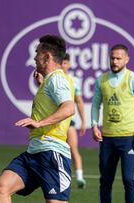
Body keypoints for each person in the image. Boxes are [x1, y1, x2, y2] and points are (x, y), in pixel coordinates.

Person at [0, 34, 75, 203]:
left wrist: (39, 123)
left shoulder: (57, 79)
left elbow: (69, 108)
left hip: (52, 152)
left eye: (37, 53)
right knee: (2, 186)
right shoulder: (50, 80)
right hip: (35, 151)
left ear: (47, 57)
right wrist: (42, 83)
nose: (34, 57)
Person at [91, 44, 134, 203]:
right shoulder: (101, 80)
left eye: (118, 58)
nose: (115, 61)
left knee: (128, 180)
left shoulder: (133, 79)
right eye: (112, 58)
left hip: (128, 138)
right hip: (107, 139)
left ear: (126, 60)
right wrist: (94, 125)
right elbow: (95, 105)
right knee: (105, 181)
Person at [61, 53, 87, 189]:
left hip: (68, 121)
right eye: (62, 63)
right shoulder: (54, 78)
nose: (63, 65)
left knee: (73, 149)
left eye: (66, 63)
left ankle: (80, 178)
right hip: (55, 121)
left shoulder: (74, 80)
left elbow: (79, 101)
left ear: (70, 64)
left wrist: (83, 121)